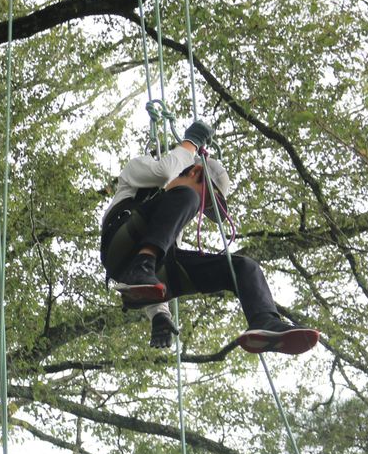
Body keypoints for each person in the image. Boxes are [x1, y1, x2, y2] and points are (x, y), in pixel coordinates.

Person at [101, 120, 320, 355]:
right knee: (186, 198)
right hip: (119, 241)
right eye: (205, 200)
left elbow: (151, 280)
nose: (200, 209)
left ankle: (264, 321)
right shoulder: (140, 169)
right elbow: (164, 172)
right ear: (194, 171)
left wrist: (160, 315)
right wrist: (190, 144)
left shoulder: (171, 220)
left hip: (138, 267)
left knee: (244, 267)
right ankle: (142, 263)